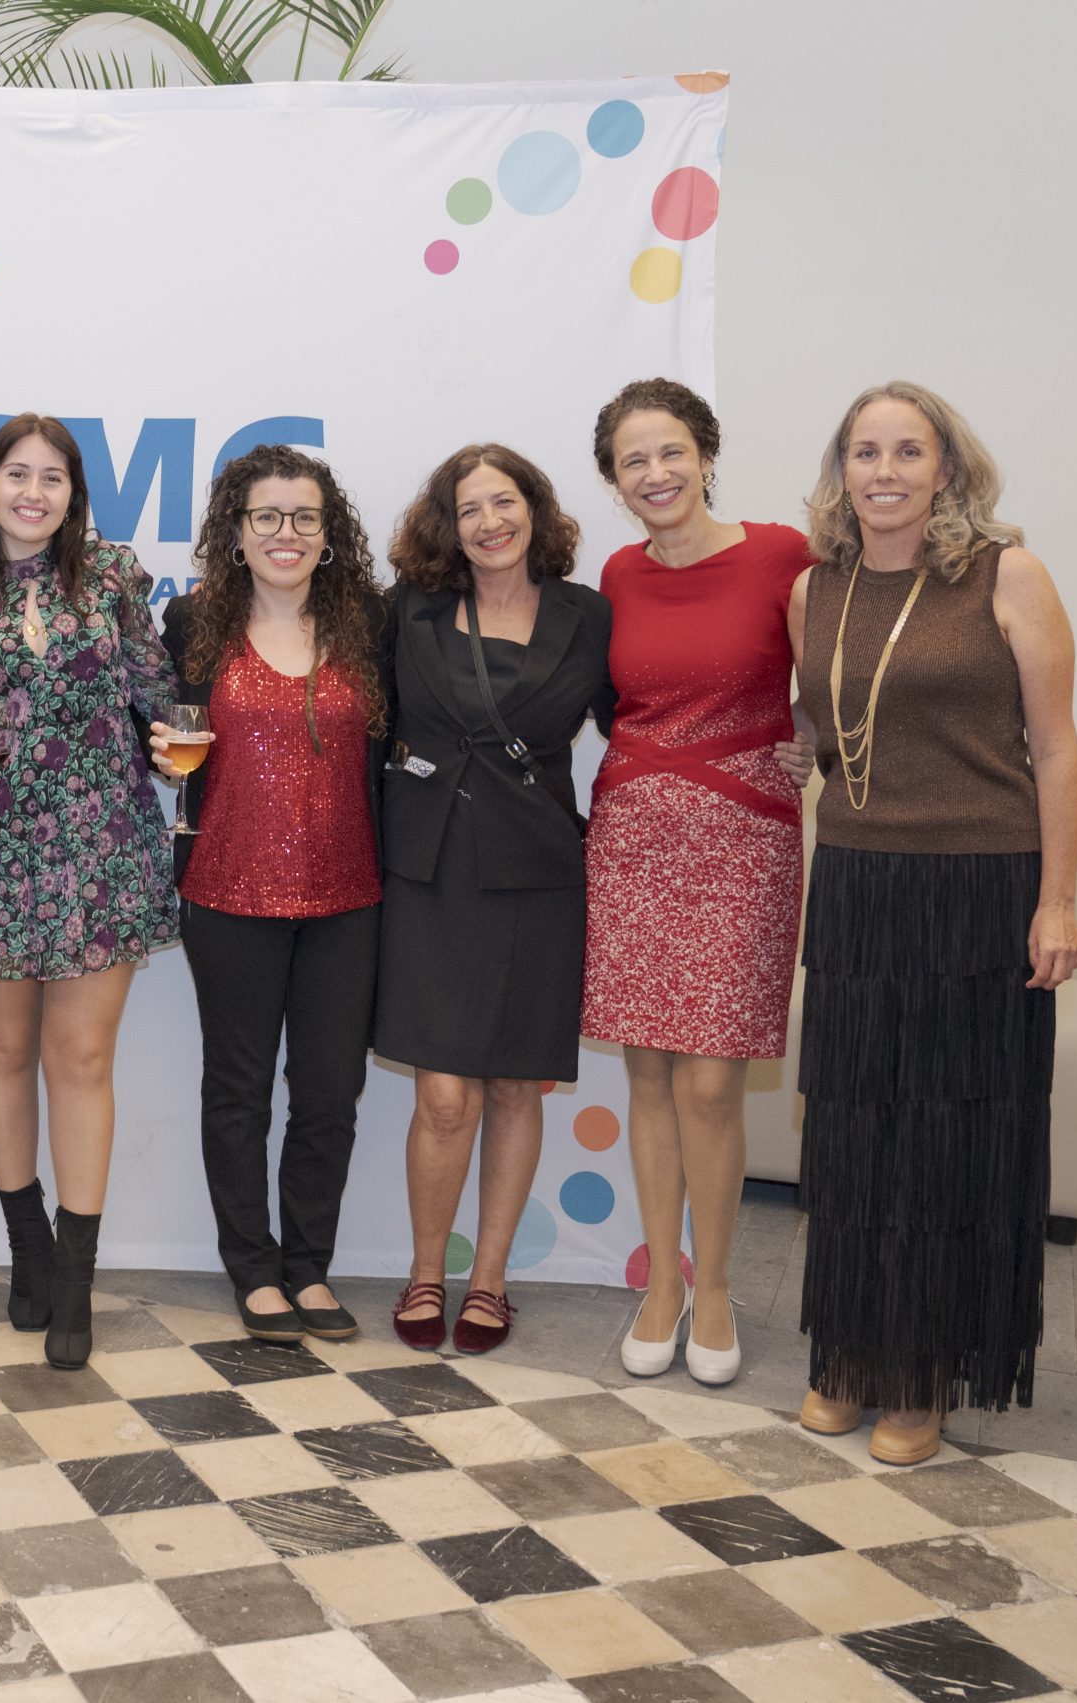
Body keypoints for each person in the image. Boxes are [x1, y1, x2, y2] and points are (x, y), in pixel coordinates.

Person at [790, 381, 1077, 1465]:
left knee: (950, 1138)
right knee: (857, 1131)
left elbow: (1052, 747)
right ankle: (851, 1350)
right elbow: (821, 735)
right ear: (842, 471)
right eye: (864, 451)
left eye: (907, 451)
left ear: (946, 470)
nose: (884, 471)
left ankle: (923, 1369)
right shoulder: (813, 588)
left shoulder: (1009, 574)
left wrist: (1056, 900)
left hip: (978, 888)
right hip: (860, 884)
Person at [0, 413, 180, 1371]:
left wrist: (179, 734)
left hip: (103, 845)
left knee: (82, 1056)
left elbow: (158, 688)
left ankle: (76, 1282)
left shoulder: (111, 578)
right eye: (17, 474)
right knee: (3, 1049)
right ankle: (28, 1248)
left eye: (53, 478)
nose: (34, 492)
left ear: (74, 494)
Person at [582, 379, 816, 1387]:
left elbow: (836, 673)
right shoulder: (618, 573)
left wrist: (811, 736)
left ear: (706, 453)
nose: (656, 472)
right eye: (634, 459)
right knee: (645, 1073)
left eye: (670, 450)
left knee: (712, 1079)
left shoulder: (777, 554)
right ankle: (661, 1286)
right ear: (614, 480)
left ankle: (713, 1285)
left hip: (745, 837)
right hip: (633, 832)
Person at [374, 444, 613, 1356]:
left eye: (503, 502)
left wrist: (786, 735)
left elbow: (650, 714)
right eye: (468, 509)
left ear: (534, 509)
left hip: (539, 873)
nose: (489, 522)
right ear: (448, 526)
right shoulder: (409, 611)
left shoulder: (589, 617)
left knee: (517, 1082)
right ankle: (425, 1271)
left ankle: (491, 1280)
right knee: (444, 1097)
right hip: (430, 871)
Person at [151, 446, 388, 1343]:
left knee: (331, 1090)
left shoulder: (370, 622)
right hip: (226, 890)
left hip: (348, 894)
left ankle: (310, 1267)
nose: (285, 533)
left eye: (304, 517)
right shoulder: (192, 619)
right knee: (239, 1089)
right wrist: (158, 753)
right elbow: (168, 730)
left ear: (329, 535)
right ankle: (252, 1269)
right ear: (236, 530)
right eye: (266, 517)